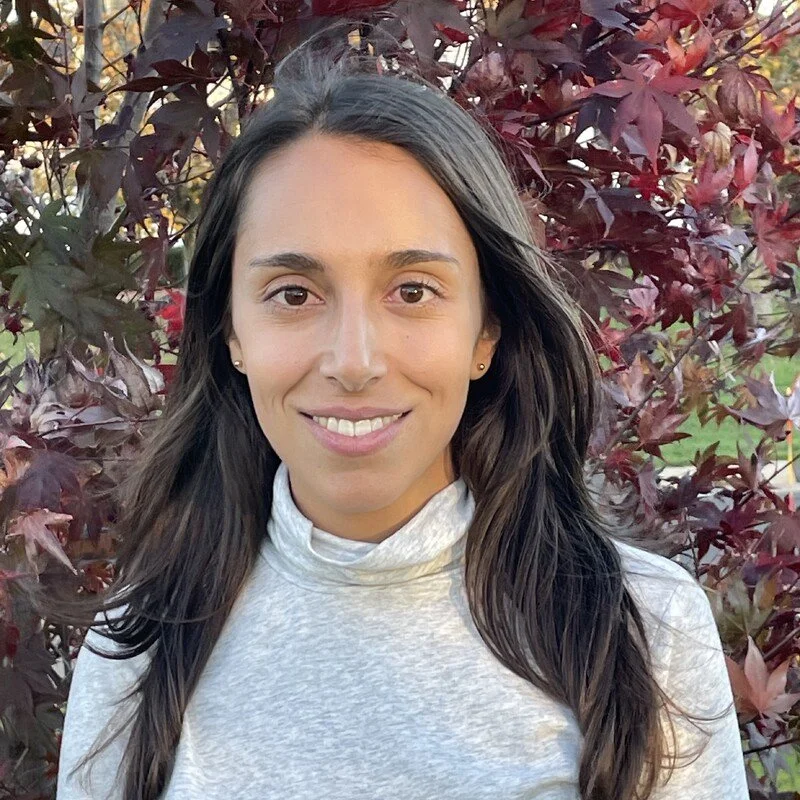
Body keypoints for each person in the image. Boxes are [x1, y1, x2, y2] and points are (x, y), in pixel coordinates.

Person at [50, 28, 749, 800]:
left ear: (487, 330)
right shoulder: (139, 650)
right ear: (231, 333)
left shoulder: (639, 631)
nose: (354, 361)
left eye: (412, 291)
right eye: (293, 294)